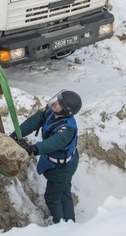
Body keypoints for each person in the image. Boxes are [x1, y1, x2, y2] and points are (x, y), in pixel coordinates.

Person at [12, 90, 82, 223]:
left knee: (52, 198)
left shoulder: (67, 129)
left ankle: (60, 224)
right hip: (61, 163)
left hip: (62, 167)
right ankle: (70, 222)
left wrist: (34, 148)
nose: (55, 103)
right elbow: (33, 122)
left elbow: (54, 142)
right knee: (64, 191)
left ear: (67, 111)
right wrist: (16, 134)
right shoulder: (52, 111)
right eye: (57, 99)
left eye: (60, 103)